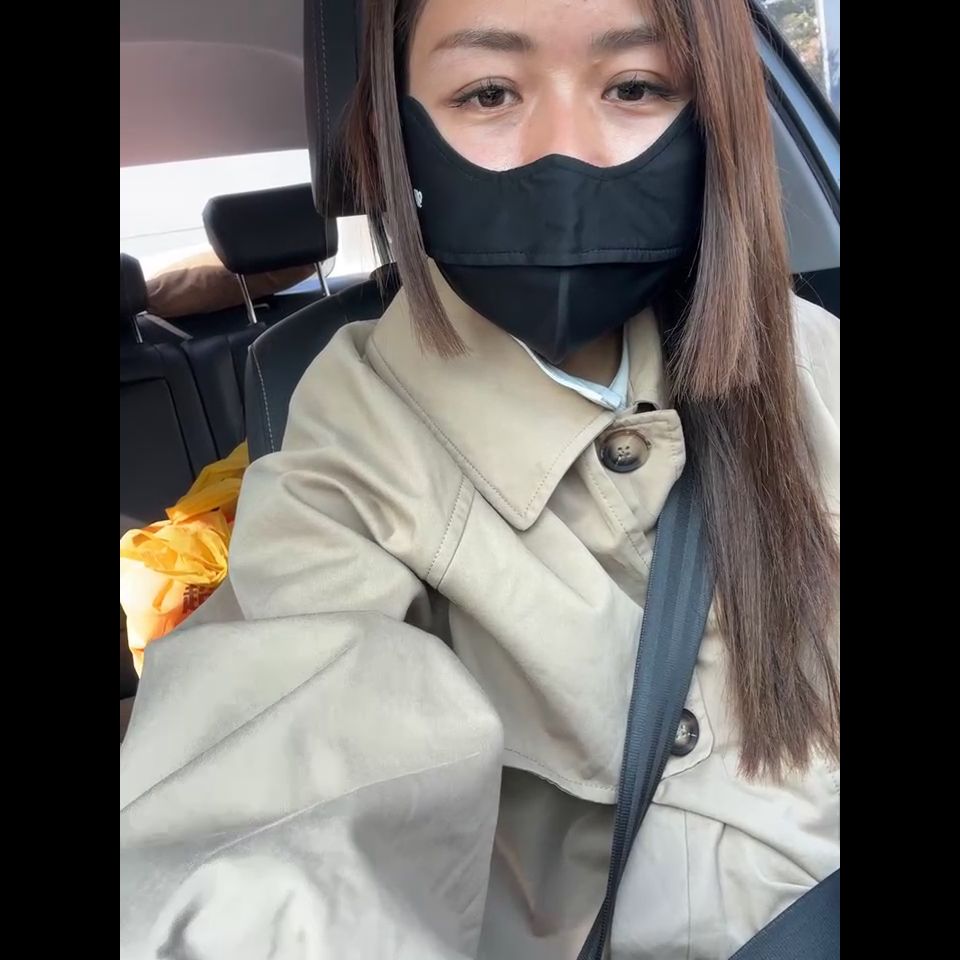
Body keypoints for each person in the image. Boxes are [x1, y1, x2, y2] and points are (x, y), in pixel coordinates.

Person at [119, 1, 840, 957]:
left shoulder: (812, 360)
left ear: (713, 118)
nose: (566, 153)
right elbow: (274, 778)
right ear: (398, 136)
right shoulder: (349, 451)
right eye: (489, 93)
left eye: (635, 86)